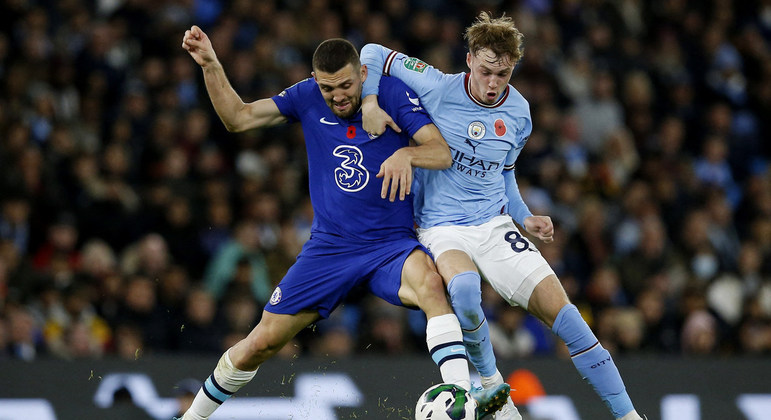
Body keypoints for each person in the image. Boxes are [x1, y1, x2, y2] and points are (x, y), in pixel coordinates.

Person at [179, 26, 510, 420]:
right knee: (260, 343)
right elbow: (238, 118)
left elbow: (440, 152)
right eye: (327, 88)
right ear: (315, 81)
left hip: (391, 244)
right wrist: (211, 65)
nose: (338, 96)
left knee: (432, 285)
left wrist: (406, 155)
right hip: (330, 247)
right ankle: (192, 417)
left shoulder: (391, 93)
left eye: (346, 86)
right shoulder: (305, 96)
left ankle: (460, 396)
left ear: (363, 75)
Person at [360, 12, 645, 420]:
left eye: (504, 74)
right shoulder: (438, 85)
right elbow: (372, 52)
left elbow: (504, 174)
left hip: (494, 225)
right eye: (487, 71)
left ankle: (629, 416)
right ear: (470, 60)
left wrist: (524, 216)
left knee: (568, 319)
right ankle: (493, 384)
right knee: (463, 290)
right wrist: (369, 101)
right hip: (441, 227)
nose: (493, 83)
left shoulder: (520, 113)